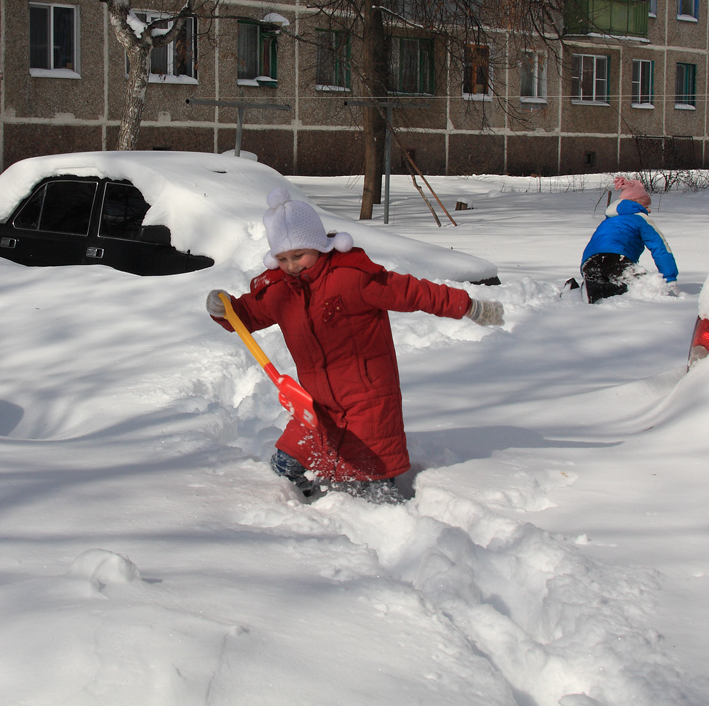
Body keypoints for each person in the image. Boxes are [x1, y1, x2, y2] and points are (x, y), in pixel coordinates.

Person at [206, 188, 504, 504]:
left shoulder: (352, 277)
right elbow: (248, 315)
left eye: (299, 255)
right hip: (318, 410)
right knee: (283, 467)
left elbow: (412, 292)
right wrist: (224, 310)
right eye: (282, 258)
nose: (291, 265)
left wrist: (468, 306)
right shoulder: (281, 290)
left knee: (370, 494)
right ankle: (309, 506)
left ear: (320, 246)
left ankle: (384, 525)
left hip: (368, 405)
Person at [579, 177, 678, 304]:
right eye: (647, 206)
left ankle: (585, 289)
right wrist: (670, 279)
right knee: (640, 285)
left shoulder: (609, 220)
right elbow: (660, 247)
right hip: (616, 258)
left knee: (600, 278)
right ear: (639, 204)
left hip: (588, 262)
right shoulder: (640, 218)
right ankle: (599, 290)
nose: (648, 211)